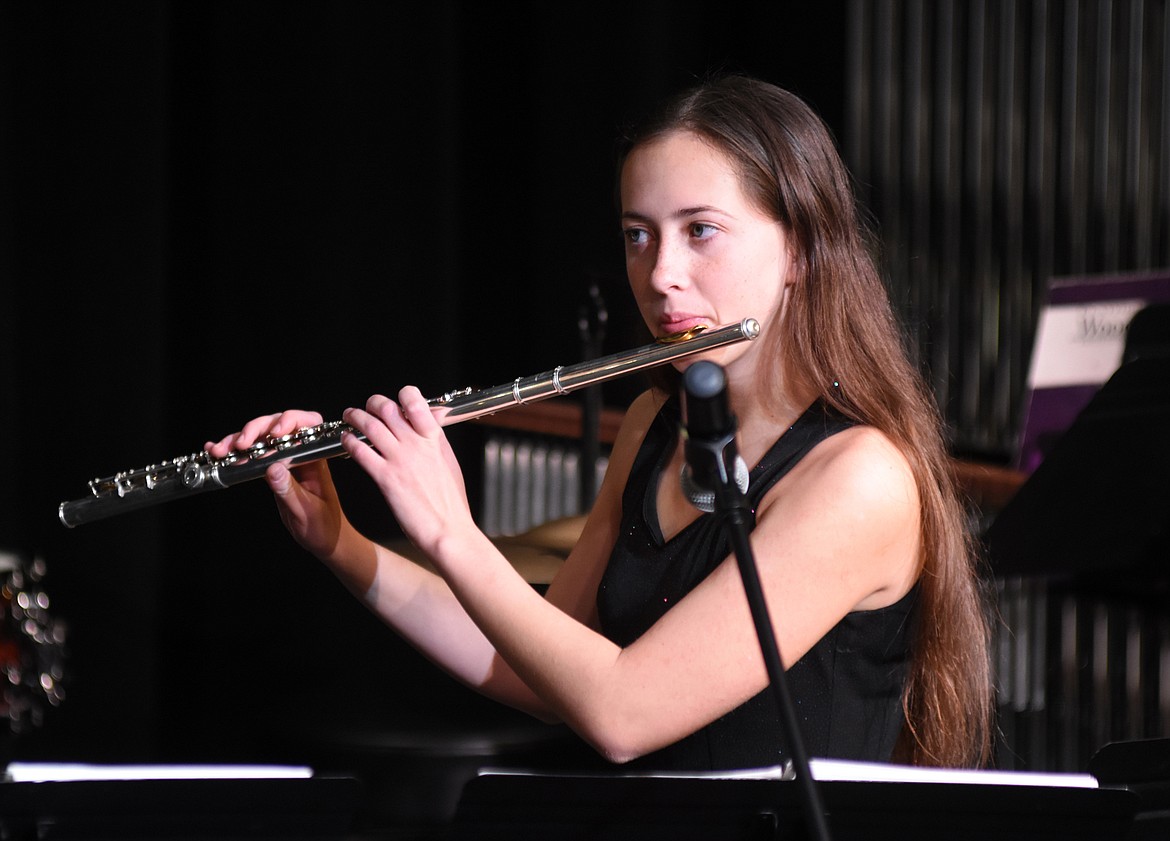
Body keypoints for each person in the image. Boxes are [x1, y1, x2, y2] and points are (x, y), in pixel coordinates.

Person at [207, 75, 994, 770]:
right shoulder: (656, 421)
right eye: (637, 235)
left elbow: (622, 714)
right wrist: (342, 542)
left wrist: (454, 531)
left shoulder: (858, 478)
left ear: (800, 250)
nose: (660, 275)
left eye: (701, 230)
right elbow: (531, 664)